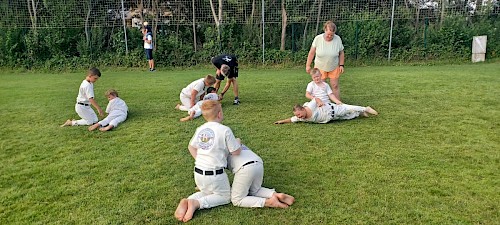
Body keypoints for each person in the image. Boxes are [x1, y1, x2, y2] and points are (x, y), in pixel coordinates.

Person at [174, 100, 242, 223]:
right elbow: (236, 152)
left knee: (207, 191)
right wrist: (238, 142)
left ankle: (189, 200)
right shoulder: (225, 130)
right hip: (215, 174)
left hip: (198, 172)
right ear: (220, 114)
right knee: (225, 196)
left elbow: (191, 146)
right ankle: (196, 203)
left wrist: (200, 160)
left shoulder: (201, 128)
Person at [228, 142, 295, 208]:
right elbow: (238, 140)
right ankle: (275, 194)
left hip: (244, 168)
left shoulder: (219, 148)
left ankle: (269, 202)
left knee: (237, 199)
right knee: (255, 190)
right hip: (258, 162)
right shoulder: (232, 140)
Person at [306, 21, 345, 100]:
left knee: (335, 85)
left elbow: (341, 53)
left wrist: (341, 65)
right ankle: (320, 103)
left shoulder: (338, 39)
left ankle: (338, 104)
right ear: (325, 30)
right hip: (320, 67)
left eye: (332, 35)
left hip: (333, 66)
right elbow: (311, 53)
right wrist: (308, 65)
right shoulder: (318, 39)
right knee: (320, 86)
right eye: (328, 34)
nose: (330, 36)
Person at [274, 100, 378, 124]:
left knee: (347, 108)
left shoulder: (309, 106)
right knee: (349, 117)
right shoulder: (301, 117)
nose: (299, 117)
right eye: (297, 116)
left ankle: (365, 108)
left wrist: (319, 102)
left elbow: (315, 99)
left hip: (333, 109)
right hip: (332, 118)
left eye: (299, 114)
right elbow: (292, 119)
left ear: (303, 109)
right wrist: (281, 121)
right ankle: (359, 113)